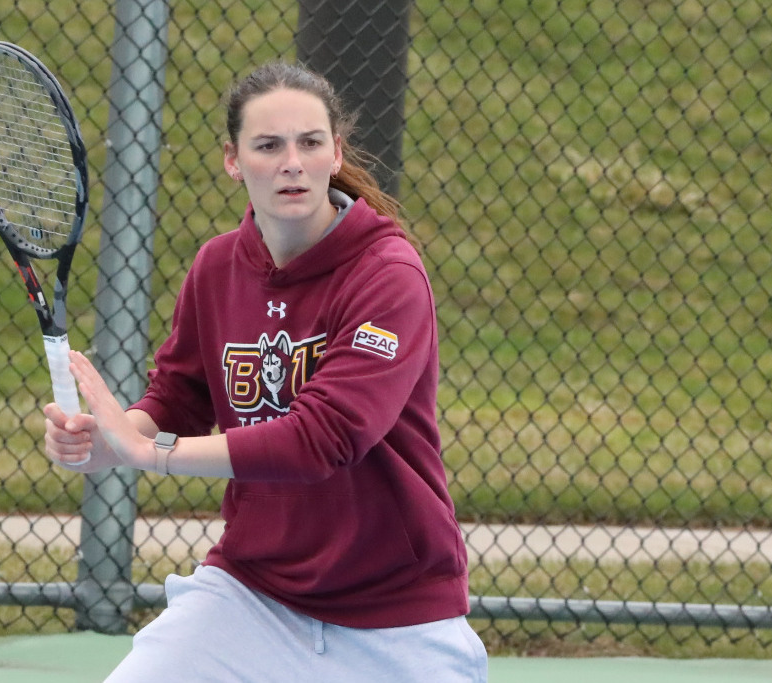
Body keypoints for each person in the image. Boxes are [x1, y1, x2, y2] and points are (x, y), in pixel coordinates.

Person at [43, 61, 488, 682]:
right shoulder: (217, 266)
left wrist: (149, 450)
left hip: (395, 613)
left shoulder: (388, 274)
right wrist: (104, 441)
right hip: (253, 594)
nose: (291, 162)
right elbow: (177, 398)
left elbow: (324, 439)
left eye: (310, 143)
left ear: (336, 153)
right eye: (268, 145)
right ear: (233, 160)